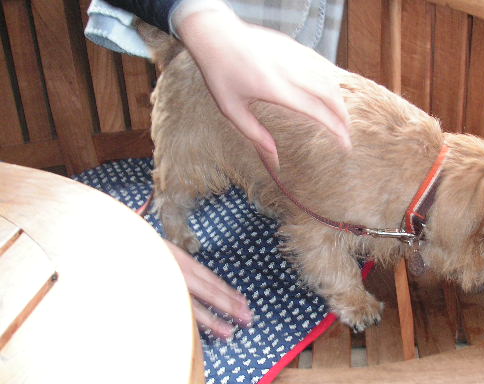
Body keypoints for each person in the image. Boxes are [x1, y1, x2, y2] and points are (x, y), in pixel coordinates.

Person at [101, 0, 351, 339]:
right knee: (182, 175)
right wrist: (199, 21)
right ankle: (172, 220)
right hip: (189, 81)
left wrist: (197, 19)